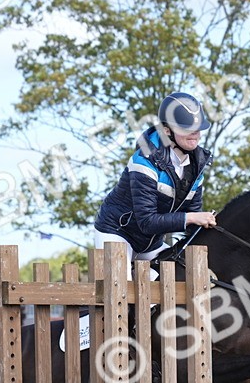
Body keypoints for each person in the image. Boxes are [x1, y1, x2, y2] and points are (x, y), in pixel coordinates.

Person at [93, 91, 218, 274]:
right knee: (123, 290)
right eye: (186, 128)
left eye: (197, 128)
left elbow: (193, 222)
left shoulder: (196, 167)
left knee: (173, 281)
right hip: (116, 234)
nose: (194, 134)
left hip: (151, 244)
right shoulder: (144, 161)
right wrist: (192, 217)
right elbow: (147, 221)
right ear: (167, 130)